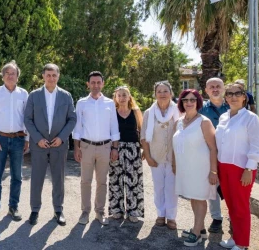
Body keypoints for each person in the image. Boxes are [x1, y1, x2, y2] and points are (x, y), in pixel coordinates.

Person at [215, 81, 259, 250]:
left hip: (241, 168)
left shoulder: (251, 118)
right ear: (225, 97)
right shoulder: (223, 117)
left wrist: (249, 168)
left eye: (237, 93)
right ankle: (235, 238)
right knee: (230, 205)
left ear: (244, 97)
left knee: (240, 206)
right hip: (223, 166)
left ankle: (242, 245)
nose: (233, 97)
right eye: (229, 94)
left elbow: (257, 146)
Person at [24, 63, 76, 226]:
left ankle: (58, 210)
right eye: (48, 75)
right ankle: (34, 210)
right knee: (37, 178)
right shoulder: (34, 95)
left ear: (58, 76)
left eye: (54, 75)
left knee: (58, 178)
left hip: (59, 144)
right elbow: (28, 119)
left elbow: (72, 119)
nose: (51, 78)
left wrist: (62, 137)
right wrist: (37, 138)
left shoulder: (66, 96)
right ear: (43, 76)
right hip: (39, 144)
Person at [72, 72, 119, 226]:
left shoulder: (110, 103)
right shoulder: (81, 103)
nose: (96, 85)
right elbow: (77, 127)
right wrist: (77, 148)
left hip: (105, 147)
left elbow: (114, 126)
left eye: (98, 82)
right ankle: (85, 212)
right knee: (85, 181)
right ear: (88, 84)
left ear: (103, 84)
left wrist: (115, 148)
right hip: (86, 147)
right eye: (93, 82)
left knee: (102, 181)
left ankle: (100, 211)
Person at [173, 89, 219, 246]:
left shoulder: (204, 122)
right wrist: (174, 164)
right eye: (185, 100)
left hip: (201, 168)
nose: (189, 103)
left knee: (199, 198)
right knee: (194, 197)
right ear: (181, 102)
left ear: (198, 102)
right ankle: (201, 228)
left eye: (192, 100)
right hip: (186, 168)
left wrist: (213, 171)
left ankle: (196, 232)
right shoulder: (179, 122)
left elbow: (213, 148)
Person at [0, 61, 29, 222]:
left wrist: (27, 138)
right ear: (2, 76)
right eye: (7, 73)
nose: (10, 76)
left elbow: (27, 118)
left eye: (13, 73)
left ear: (18, 76)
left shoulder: (23, 94)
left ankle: (13, 207)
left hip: (18, 139)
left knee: (17, 176)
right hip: (0, 139)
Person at [141, 81, 179, 230]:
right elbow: (143, 136)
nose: (162, 94)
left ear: (171, 93)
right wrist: (148, 157)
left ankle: (171, 217)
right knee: (159, 187)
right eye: (159, 91)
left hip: (174, 156)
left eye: (165, 91)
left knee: (172, 188)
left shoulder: (178, 111)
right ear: (155, 94)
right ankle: (160, 214)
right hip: (156, 156)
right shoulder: (149, 113)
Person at [107, 86, 144, 223]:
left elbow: (142, 130)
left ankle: (134, 211)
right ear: (115, 98)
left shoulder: (136, 112)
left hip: (133, 148)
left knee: (134, 181)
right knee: (115, 179)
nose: (122, 98)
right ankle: (116, 209)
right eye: (119, 95)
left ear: (129, 97)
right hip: (116, 148)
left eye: (124, 95)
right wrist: (112, 148)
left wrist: (144, 149)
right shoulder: (112, 112)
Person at [199, 77, 229, 235]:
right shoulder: (201, 109)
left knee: (231, 187)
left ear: (223, 88)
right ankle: (217, 218)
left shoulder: (233, 105)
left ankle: (234, 218)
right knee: (212, 186)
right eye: (211, 87)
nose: (215, 89)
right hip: (209, 153)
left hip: (231, 154)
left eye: (218, 86)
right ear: (206, 90)